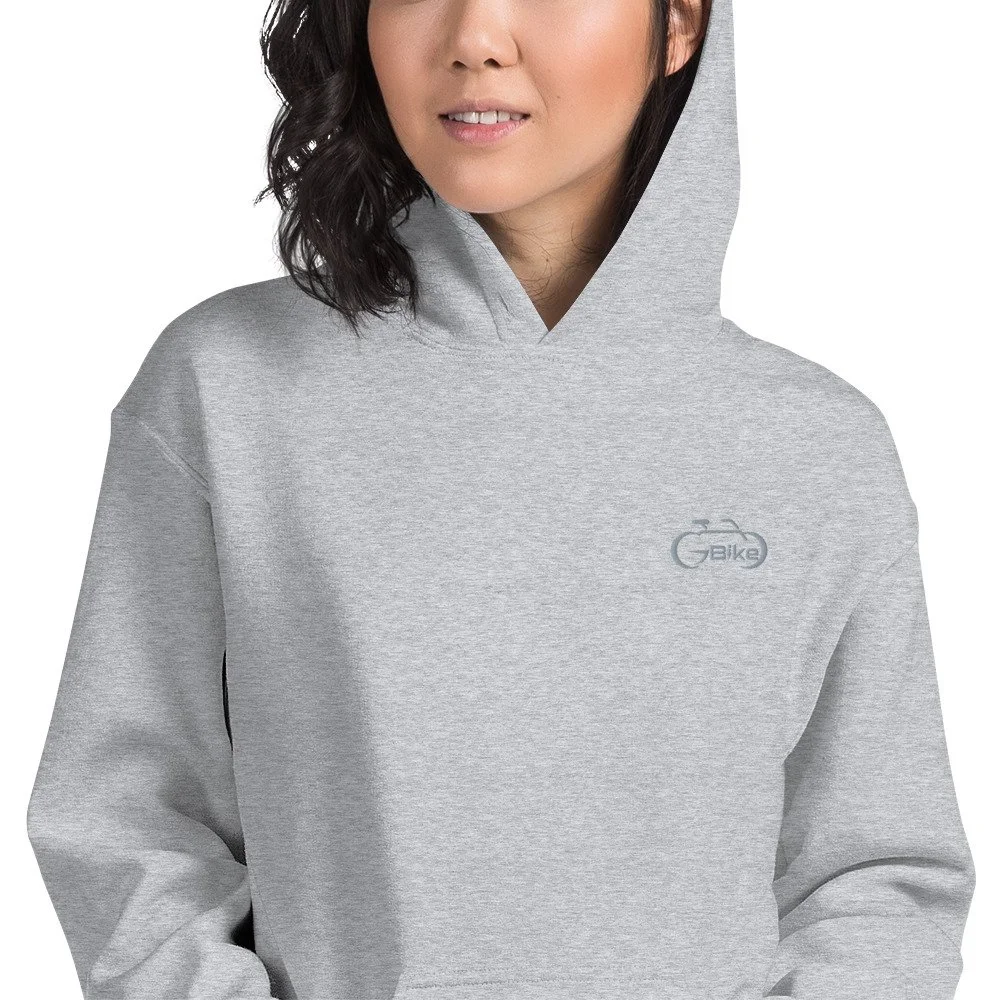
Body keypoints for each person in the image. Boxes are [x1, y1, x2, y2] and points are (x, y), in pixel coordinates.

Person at [26, 2, 976, 998]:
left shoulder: (816, 447)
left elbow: (874, 878)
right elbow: (127, 818)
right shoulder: (229, 387)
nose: (475, 36)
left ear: (680, 24)